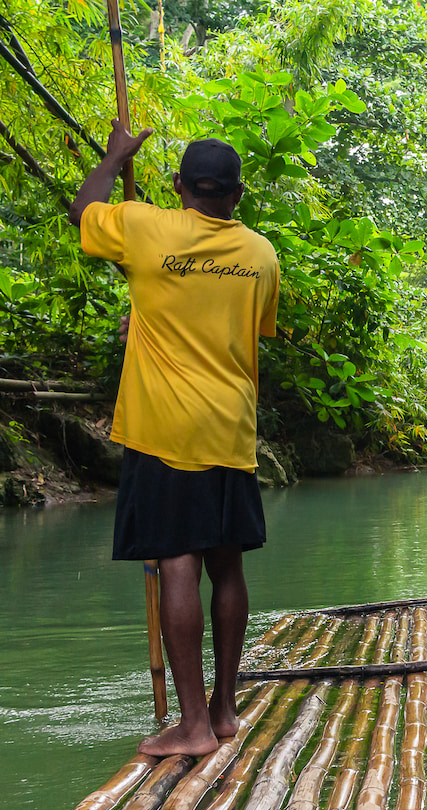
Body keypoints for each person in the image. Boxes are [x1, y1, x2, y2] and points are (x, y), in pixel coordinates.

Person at [70, 123, 280, 757]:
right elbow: (250, 333)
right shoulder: (261, 255)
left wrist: (114, 159)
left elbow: (84, 210)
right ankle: (222, 710)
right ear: (237, 197)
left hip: (166, 428)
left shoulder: (145, 226)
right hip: (231, 425)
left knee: (177, 562)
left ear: (179, 187)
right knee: (227, 563)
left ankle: (191, 728)